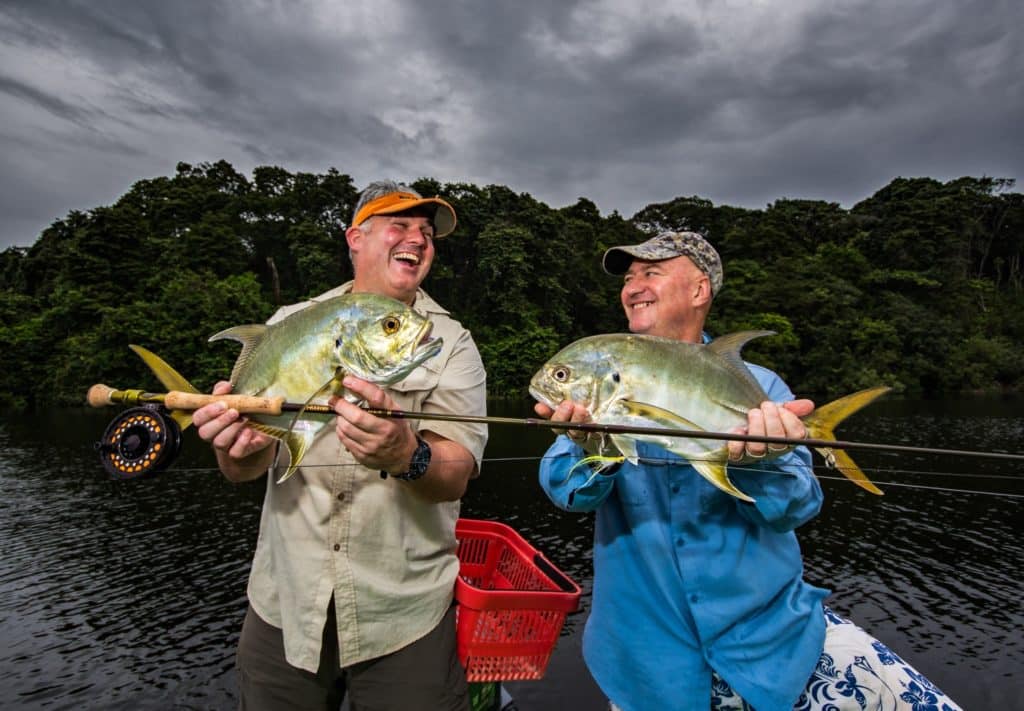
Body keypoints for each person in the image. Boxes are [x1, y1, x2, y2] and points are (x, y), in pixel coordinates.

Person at [535, 231, 961, 711]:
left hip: (772, 649)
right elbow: (565, 491)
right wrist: (592, 446)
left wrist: (763, 463)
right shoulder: (605, 383)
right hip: (645, 665)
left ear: (700, 291)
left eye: (650, 273)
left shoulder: (763, 386)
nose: (633, 287)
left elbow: (797, 506)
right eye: (629, 278)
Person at [191, 181, 488, 710]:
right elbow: (242, 469)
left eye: (427, 233)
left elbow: (457, 470)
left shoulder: (453, 342)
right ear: (356, 238)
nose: (417, 240)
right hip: (285, 606)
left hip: (403, 614)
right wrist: (235, 447)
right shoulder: (289, 324)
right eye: (400, 226)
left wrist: (407, 454)